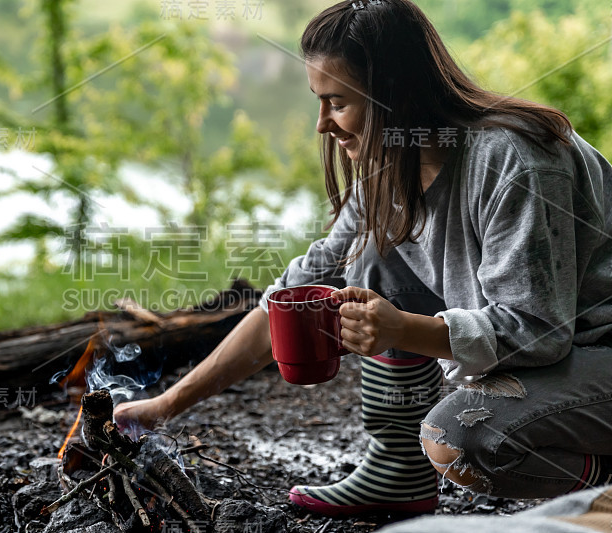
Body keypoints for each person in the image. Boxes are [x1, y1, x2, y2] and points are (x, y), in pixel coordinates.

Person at [114, 0, 612, 517]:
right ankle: (397, 473)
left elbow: (535, 328)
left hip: (599, 347)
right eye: (318, 101)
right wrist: (164, 407)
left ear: (393, 97)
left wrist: (399, 329)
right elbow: (288, 301)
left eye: (337, 103)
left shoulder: (514, 159)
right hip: (562, 355)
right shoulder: (390, 172)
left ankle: (603, 493)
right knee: (370, 255)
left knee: (461, 439)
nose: (321, 125)